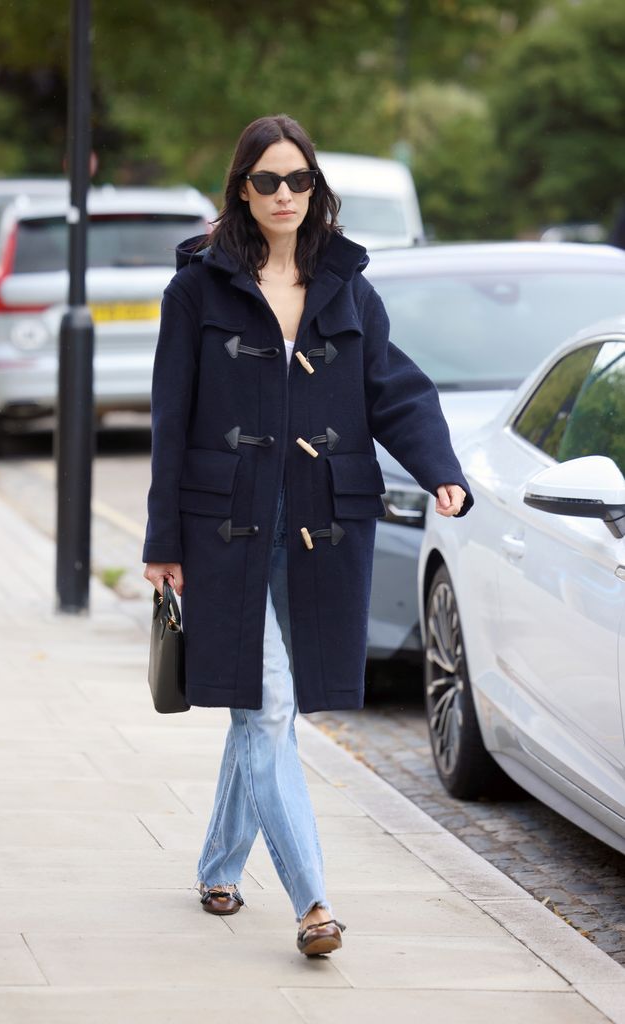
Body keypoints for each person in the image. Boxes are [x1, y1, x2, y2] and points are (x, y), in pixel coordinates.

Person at [143, 113, 473, 957]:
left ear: (315, 188)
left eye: (298, 181)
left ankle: (220, 863)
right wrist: (160, 541)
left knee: (262, 712)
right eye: (266, 181)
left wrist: (439, 467)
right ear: (241, 189)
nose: (283, 195)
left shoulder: (348, 286)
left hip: (323, 521)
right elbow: (169, 418)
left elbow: (393, 387)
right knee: (269, 706)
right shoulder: (196, 289)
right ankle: (312, 903)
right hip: (223, 522)